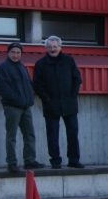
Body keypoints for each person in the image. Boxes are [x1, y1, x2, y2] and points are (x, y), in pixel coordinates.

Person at [33, 36, 85, 169]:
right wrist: (47, 99)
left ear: (60, 47)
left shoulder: (69, 60)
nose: (52, 49)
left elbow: (77, 79)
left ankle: (74, 160)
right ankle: (55, 161)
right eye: (49, 47)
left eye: (55, 47)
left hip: (69, 103)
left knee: (73, 133)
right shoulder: (40, 64)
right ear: (46, 48)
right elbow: (37, 85)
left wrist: (72, 96)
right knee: (52, 135)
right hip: (51, 105)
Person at [0, 42, 45, 172]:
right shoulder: (3, 67)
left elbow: (29, 85)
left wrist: (29, 100)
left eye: (18, 53)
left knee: (30, 134)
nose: (16, 55)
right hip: (12, 107)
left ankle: (29, 161)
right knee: (11, 135)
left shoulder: (23, 67)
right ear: (8, 53)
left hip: (26, 107)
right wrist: (17, 99)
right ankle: (11, 163)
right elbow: (2, 87)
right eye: (13, 52)